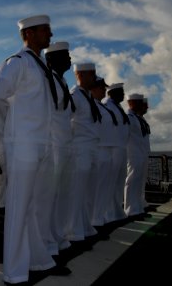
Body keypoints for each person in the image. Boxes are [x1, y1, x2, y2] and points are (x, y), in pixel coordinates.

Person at [0, 14, 71, 285]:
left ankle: (38, 260)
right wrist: (10, 133)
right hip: (23, 143)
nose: (50, 35)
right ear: (30, 33)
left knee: (37, 206)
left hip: (43, 144)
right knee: (19, 207)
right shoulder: (17, 63)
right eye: (46, 31)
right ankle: (14, 273)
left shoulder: (43, 69)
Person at [44, 41, 75, 252]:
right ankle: (47, 242)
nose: (70, 60)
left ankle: (58, 236)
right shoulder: (47, 81)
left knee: (62, 195)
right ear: (53, 60)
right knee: (49, 196)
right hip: (52, 145)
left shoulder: (61, 81)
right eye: (66, 56)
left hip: (65, 145)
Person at [66, 62, 100, 246]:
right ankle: (73, 231)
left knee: (88, 193)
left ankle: (85, 227)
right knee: (77, 193)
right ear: (81, 75)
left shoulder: (87, 97)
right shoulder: (75, 96)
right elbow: (65, 120)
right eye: (91, 73)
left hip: (92, 148)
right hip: (79, 149)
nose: (94, 76)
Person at [90, 77, 118, 229]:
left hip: (107, 149)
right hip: (98, 149)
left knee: (104, 188)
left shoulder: (102, 106)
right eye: (101, 88)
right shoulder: (92, 105)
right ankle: (94, 220)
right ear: (93, 88)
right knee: (97, 188)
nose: (104, 90)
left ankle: (100, 218)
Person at [102, 83, 130, 223]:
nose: (124, 95)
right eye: (121, 92)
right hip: (112, 147)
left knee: (119, 182)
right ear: (112, 93)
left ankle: (117, 212)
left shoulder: (117, 107)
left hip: (120, 147)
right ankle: (108, 214)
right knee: (110, 183)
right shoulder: (107, 105)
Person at [124, 93, 151, 217]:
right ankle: (130, 209)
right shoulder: (129, 118)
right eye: (140, 103)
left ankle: (138, 206)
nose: (143, 106)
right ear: (132, 103)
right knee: (132, 180)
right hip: (133, 153)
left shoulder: (138, 118)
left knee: (139, 180)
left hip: (141, 153)